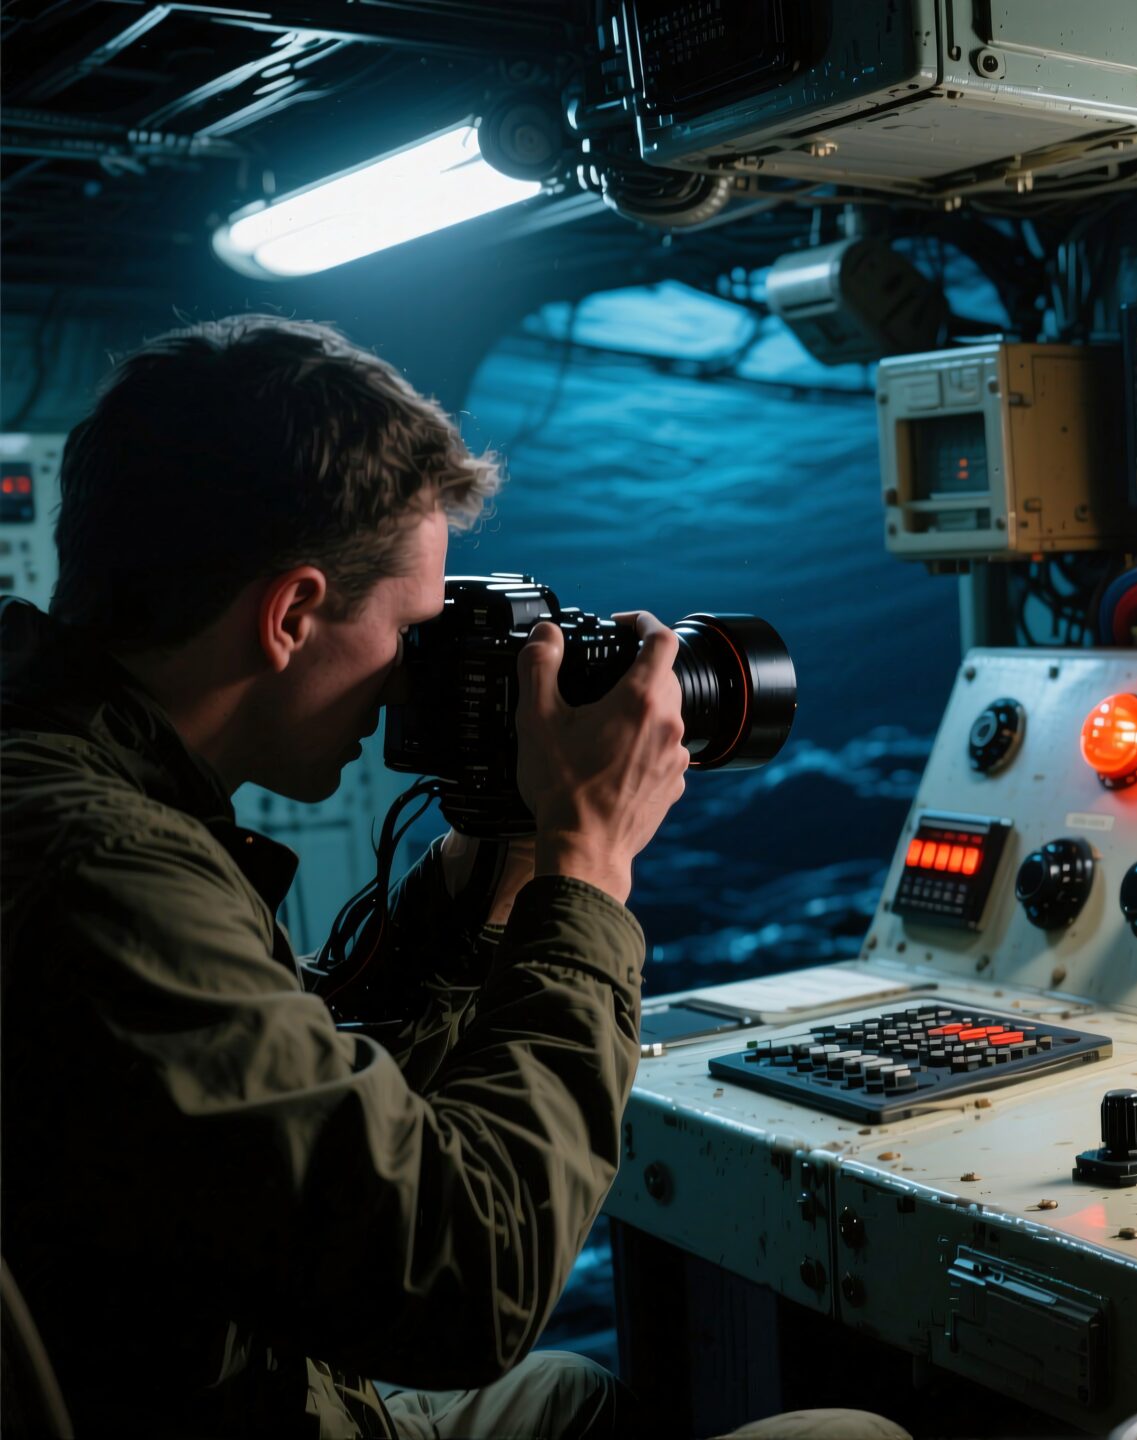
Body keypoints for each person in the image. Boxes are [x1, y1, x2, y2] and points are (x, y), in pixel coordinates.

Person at [0, 314, 688, 1438]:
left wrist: (495, 861)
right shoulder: (108, 874)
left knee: (572, 1399)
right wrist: (588, 869)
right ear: (292, 614)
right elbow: (468, 1283)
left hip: (187, 1364)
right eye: (411, 631)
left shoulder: (61, 777)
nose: (405, 682)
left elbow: (300, 1104)